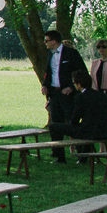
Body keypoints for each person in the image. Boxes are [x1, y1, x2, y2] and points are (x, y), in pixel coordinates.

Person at [47, 68, 107, 158]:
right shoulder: (101, 95)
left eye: (74, 83)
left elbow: (75, 118)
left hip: (92, 132)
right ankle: (82, 159)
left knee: (54, 127)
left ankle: (59, 156)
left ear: (79, 85)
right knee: (85, 126)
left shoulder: (80, 97)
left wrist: (71, 125)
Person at [41, 29, 87, 163]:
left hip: (68, 95)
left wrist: (72, 88)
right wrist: (45, 85)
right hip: (54, 94)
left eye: (47, 41)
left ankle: (82, 156)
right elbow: (48, 73)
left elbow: (82, 72)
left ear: (54, 41)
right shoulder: (50, 54)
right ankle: (59, 156)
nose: (45, 43)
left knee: (73, 124)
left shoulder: (71, 53)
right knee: (56, 125)